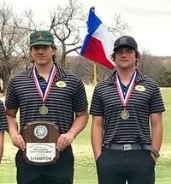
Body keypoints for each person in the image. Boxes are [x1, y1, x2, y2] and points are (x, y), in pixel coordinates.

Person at [5, 30, 88, 184]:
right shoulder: (17, 81)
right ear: (30, 52)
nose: (40, 51)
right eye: (36, 48)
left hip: (61, 155)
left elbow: (82, 115)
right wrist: (14, 134)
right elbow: (9, 114)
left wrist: (70, 134)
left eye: (45, 47)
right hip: (27, 155)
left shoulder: (73, 81)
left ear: (53, 50)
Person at [90, 35, 165, 184]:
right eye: (119, 52)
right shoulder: (101, 88)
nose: (124, 55)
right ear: (114, 57)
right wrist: (99, 157)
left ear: (136, 56)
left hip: (141, 154)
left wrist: (153, 155)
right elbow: (97, 124)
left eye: (129, 51)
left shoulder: (151, 86)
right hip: (110, 154)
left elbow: (157, 123)